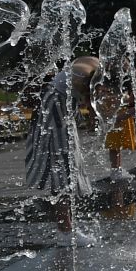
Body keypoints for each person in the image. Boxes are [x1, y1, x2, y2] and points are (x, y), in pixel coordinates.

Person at [26, 57, 94, 240]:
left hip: (57, 108)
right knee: (62, 173)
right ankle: (65, 231)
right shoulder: (88, 76)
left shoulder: (90, 71)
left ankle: (66, 227)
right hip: (55, 112)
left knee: (66, 170)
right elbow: (87, 99)